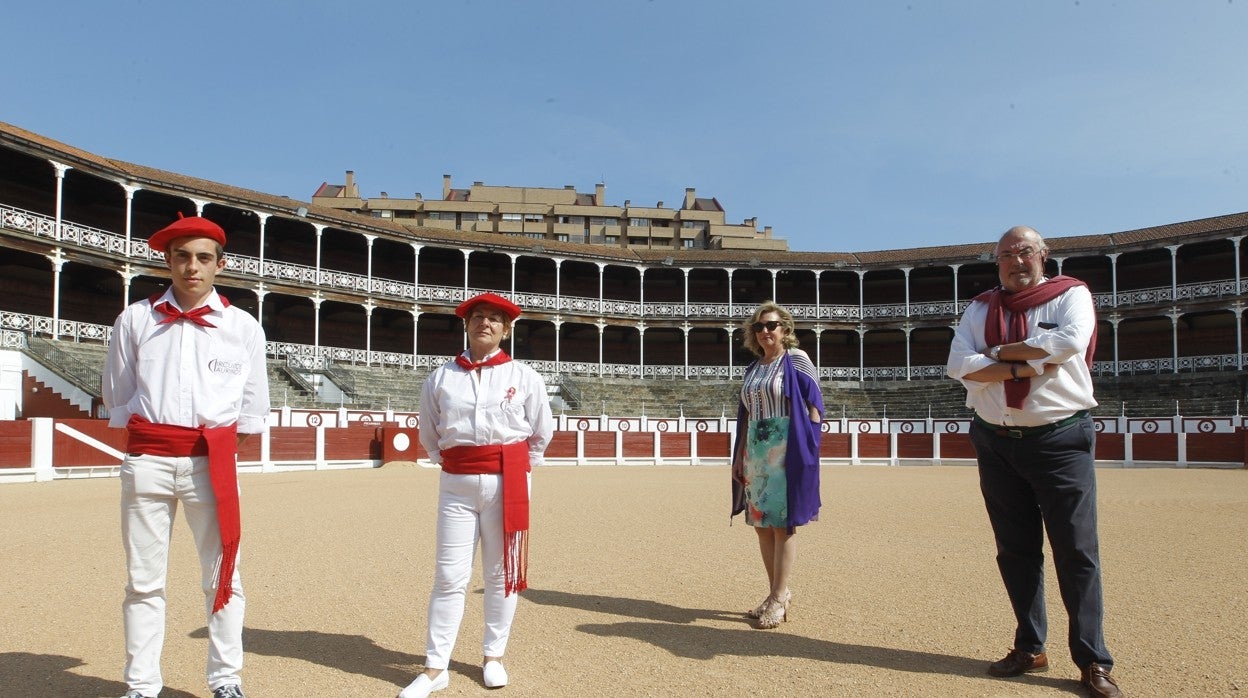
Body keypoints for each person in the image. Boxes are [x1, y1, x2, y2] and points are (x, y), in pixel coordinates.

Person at [946, 226, 1122, 698]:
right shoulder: (980, 307)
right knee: (1015, 550)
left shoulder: (1070, 296)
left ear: (1043, 256)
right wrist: (1028, 361)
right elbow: (957, 364)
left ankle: (1092, 659)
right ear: (996, 261)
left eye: (1025, 252)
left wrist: (996, 357)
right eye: (1006, 254)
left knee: (1076, 551)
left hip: (1059, 438)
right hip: (995, 440)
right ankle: (1030, 646)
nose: (1015, 261)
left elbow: (1067, 343)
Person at [102, 214, 270, 698]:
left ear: (221, 264)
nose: (191, 267)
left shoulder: (243, 327)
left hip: (210, 463)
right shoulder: (135, 318)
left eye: (202, 257)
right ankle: (141, 684)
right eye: (182, 257)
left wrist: (210, 452)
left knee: (222, 576)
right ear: (168, 261)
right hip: (149, 460)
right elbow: (119, 392)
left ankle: (225, 679)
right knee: (142, 581)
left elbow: (251, 410)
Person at [400, 291, 554, 698]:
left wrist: (517, 467)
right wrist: (454, 463)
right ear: (466, 324)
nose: (484, 323)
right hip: (457, 483)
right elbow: (429, 433)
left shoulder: (525, 377)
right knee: (449, 575)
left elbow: (540, 433)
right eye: (477, 317)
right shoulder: (440, 377)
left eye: (493, 319)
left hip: (509, 480)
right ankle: (436, 667)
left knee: (501, 576)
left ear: (506, 329)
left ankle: (493, 656)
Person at [730, 301, 824, 630]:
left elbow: (816, 405)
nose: (765, 332)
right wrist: (740, 455)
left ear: (785, 329)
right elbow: (745, 417)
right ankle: (773, 593)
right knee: (760, 524)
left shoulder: (796, 359)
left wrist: (808, 445)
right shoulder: (754, 368)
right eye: (759, 327)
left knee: (782, 524)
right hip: (756, 447)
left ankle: (781, 595)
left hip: (785, 445)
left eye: (771, 325)